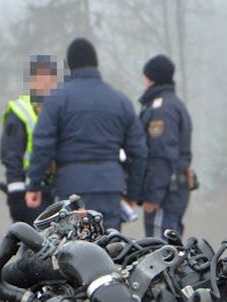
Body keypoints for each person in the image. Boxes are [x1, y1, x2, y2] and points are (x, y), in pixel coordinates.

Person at [24, 38, 146, 231]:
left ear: (70, 65)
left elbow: (42, 145)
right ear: (96, 63)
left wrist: (34, 185)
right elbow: (139, 151)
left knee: (73, 250)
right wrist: (133, 193)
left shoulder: (56, 101)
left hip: (70, 184)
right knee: (109, 248)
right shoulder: (120, 101)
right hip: (110, 184)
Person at [136, 55, 194, 238]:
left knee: (159, 250)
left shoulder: (162, 109)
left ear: (152, 78)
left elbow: (161, 154)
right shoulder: (172, 104)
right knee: (169, 247)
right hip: (171, 191)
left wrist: (153, 196)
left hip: (165, 194)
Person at [0, 56, 58, 225]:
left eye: (52, 79)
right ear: (32, 80)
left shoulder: (59, 108)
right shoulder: (20, 111)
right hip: (30, 189)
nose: (48, 84)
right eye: (43, 78)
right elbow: (11, 153)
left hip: (56, 187)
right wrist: (16, 191)